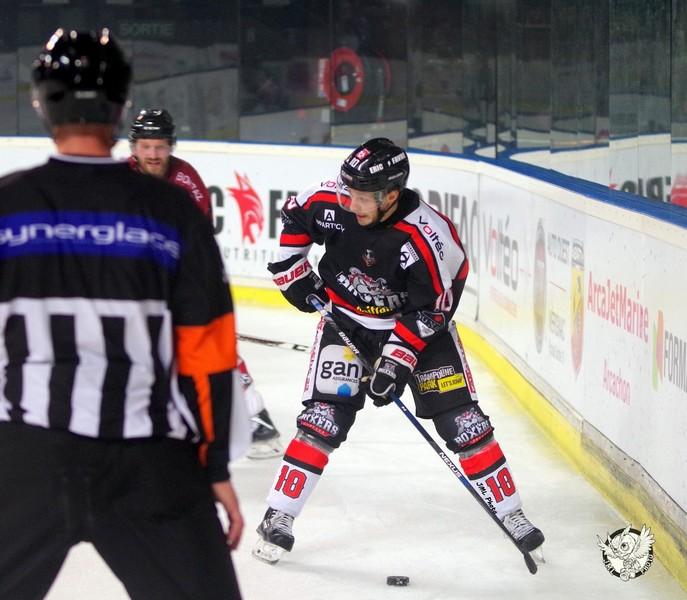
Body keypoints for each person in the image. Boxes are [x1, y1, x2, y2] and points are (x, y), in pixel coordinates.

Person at [0, 29, 243, 599]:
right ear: (120, 109)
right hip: (147, 459)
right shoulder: (171, 211)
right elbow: (207, 349)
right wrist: (213, 466)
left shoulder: (7, 205)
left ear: (42, 104)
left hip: (23, 457)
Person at [252, 137, 545, 564]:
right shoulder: (332, 200)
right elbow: (297, 214)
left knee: (463, 423)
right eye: (348, 190)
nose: (350, 202)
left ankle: (512, 514)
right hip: (347, 323)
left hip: (420, 334)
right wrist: (290, 268)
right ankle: (279, 514)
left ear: (391, 195)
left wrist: (395, 361)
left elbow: (432, 311)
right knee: (323, 418)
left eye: (362, 196)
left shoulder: (429, 237)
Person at [128, 107, 283, 459]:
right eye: (146, 146)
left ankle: (256, 417)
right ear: (134, 147)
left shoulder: (186, 182)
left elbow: (194, 247)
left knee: (211, 345)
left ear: (171, 146)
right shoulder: (121, 177)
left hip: (187, 275)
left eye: (160, 146)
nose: (153, 154)